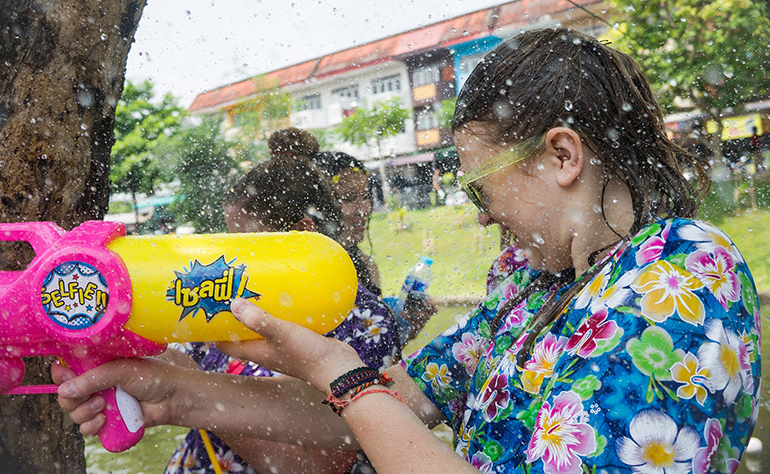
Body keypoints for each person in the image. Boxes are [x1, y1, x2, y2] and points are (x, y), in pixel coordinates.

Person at [55, 28, 760, 474]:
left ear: (562, 155)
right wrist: (179, 391)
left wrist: (342, 374)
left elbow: (360, 397)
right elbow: (393, 407)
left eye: (482, 187)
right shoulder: (533, 287)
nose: (481, 219)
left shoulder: (682, 278)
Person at [164, 128, 400, 474]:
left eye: (243, 243)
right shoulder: (232, 299)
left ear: (301, 235)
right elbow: (176, 362)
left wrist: (194, 394)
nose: (232, 257)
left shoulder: (362, 323)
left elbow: (317, 467)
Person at [308, 151, 382, 297]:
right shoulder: (306, 272)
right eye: (348, 199)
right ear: (317, 208)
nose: (364, 209)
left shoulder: (367, 265)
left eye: (366, 196)